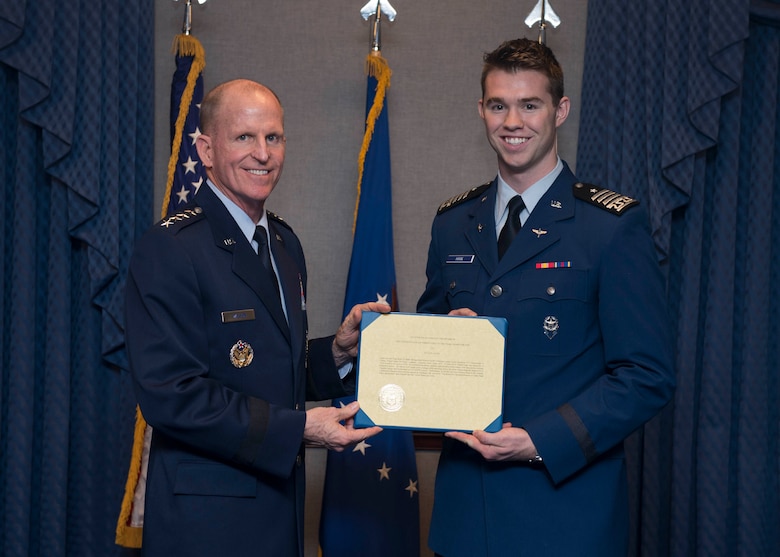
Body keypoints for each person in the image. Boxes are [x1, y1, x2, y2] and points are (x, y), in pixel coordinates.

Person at [416, 39, 676, 556]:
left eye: (529, 105)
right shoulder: (451, 224)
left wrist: (541, 441)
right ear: (482, 110)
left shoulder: (609, 226)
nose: (512, 121)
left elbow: (647, 376)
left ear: (560, 110)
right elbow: (427, 353)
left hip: (564, 519)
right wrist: (436, 349)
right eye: (498, 105)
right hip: (466, 520)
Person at [125, 79, 385, 557]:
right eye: (244, 137)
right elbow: (171, 395)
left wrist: (337, 352)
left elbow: (264, 367)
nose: (262, 153)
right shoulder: (170, 248)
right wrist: (300, 429)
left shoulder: (284, 244)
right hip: (207, 524)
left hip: (280, 512)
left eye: (274, 137)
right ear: (205, 149)